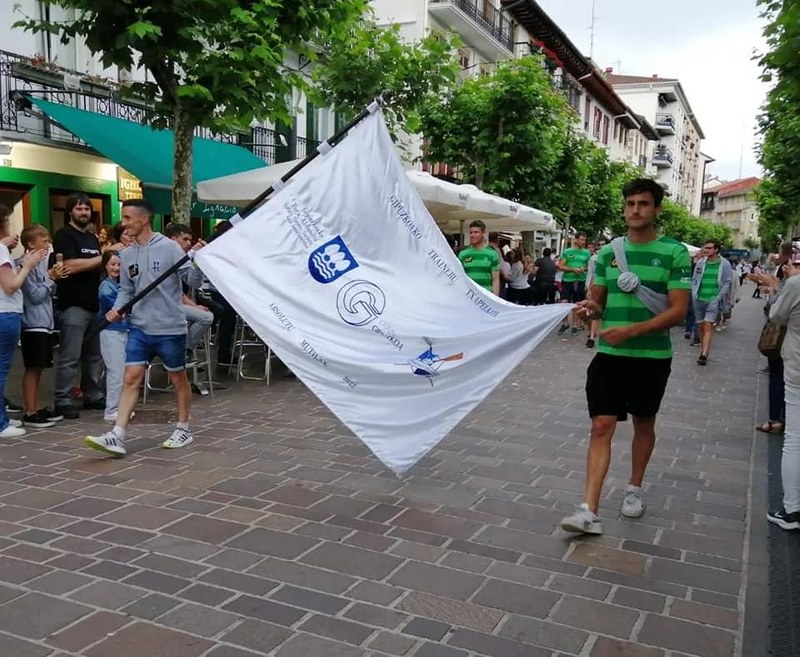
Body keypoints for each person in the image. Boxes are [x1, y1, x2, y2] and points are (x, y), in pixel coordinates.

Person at [560, 179, 691, 535]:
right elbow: (597, 302)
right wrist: (588, 311)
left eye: (644, 204)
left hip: (651, 357)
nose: (636, 210)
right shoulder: (607, 254)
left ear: (656, 209)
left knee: (643, 422)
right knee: (600, 426)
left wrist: (630, 331)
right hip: (609, 355)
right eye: (630, 203)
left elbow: (679, 311)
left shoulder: (675, 252)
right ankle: (589, 509)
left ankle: (634, 488)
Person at [84, 199, 205, 456]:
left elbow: (192, 280)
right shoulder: (126, 255)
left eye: (128, 218)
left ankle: (183, 428)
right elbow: (126, 290)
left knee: (177, 378)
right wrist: (118, 309)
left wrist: (199, 260)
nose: (124, 223)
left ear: (144, 219)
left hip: (170, 327)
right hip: (139, 327)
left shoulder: (170, 248)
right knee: (131, 378)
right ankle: (118, 435)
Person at [51, 193, 105, 419]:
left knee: (93, 356)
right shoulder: (64, 235)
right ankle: (62, 400)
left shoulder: (92, 237)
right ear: (70, 211)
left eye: (87, 209)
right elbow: (70, 266)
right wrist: (103, 257)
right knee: (70, 356)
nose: (84, 212)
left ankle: (92, 395)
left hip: (94, 304)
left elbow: (95, 266)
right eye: (79, 209)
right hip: (72, 305)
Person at [0, 206, 49, 438]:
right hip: (8, 314)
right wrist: (28, 267)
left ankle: (4, 416)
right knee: (3, 370)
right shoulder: (2, 251)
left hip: (10, 315)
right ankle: (3, 421)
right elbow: (12, 286)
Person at [18, 225, 68, 428]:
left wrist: (52, 276)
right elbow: (36, 296)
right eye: (44, 240)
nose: (48, 245)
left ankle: (36, 407)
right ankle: (30, 411)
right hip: (33, 324)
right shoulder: (25, 266)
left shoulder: (41, 265)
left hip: (44, 323)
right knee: (33, 368)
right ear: (31, 244)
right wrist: (51, 278)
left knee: (40, 368)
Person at [766, 249, 800, 529]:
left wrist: (778, 287)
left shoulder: (796, 284)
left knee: (795, 439)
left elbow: (776, 316)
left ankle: (791, 510)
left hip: (798, 371)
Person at [165, 223, 214, 353]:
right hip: (165, 307)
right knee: (207, 317)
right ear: (172, 239)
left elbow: (188, 287)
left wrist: (198, 261)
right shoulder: (168, 255)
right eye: (184, 239)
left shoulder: (183, 257)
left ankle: (182, 349)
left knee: (209, 313)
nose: (188, 243)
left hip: (175, 305)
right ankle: (184, 350)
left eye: (189, 240)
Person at [97, 250, 129, 423]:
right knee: (115, 371)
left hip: (123, 331)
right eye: (113, 264)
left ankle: (120, 407)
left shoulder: (120, 285)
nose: (116, 268)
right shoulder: (106, 287)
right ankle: (112, 409)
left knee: (123, 371)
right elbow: (119, 309)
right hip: (111, 332)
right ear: (106, 266)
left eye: (119, 264)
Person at [690, 239, 732, 366]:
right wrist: (693, 293)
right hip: (699, 298)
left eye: (709, 248)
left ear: (716, 250)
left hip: (713, 299)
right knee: (701, 326)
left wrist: (718, 297)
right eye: (705, 248)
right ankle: (703, 349)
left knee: (708, 325)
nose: (705, 250)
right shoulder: (701, 263)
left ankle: (704, 354)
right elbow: (695, 279)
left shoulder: (724, 264)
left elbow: (727, 282)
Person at [558, 232, 591, 335]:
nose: (583, 242)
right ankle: (565, 323)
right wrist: (573, 269)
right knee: (564, 302)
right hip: (567, 280)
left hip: (580, 280)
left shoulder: (587, 253)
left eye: (584, 240)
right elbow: (560, 266)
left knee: (578, 303)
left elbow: (588, 267)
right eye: (581, 240)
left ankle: (575, 326)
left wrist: (583, 269)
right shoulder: (567, 252)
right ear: (576, 240)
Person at [458, 220, 500, 296]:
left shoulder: (492, 254)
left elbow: (495, 280)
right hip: (469, 296)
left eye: (476, 232)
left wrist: (495, 298)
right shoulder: (463, 254)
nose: (472, 235)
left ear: (483, 233)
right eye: (471, 232)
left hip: (486, 296)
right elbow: (459, 277)